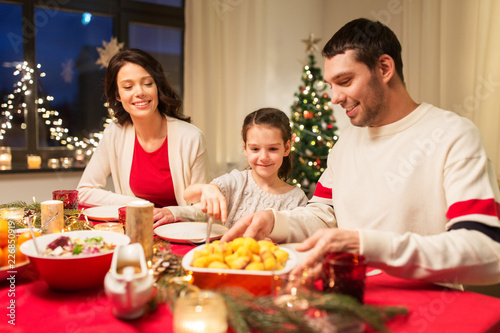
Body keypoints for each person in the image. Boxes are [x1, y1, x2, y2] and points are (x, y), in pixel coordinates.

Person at [222, 18, 500, 286]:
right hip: (347, 296)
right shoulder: (346, 143)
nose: (335, 98)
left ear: (384, 68)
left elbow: (487, 251)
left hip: (426, 305)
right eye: (331, 85)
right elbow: (323, 214)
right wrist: (275, 221)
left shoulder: (453, 135)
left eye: (344, 81)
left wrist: (365, 245)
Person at [77, 48, 210, 223]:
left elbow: (205, 208)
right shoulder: (115, 132)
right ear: (118, 94)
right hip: (137, 230)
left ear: (157, 87)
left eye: (147, 83)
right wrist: (136, 204)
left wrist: (173, 213)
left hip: (183, 236)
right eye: (128, 87)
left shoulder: (191, 138)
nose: (139, 92)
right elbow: (84, 191)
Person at [155, 108, 308, 228]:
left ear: (287, 148)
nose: (263, 157)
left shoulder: (297, 199)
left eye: (273, 149)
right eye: (255, 149)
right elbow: (188, 195)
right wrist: (207, 189)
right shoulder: (236, 182)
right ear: (245, 148)